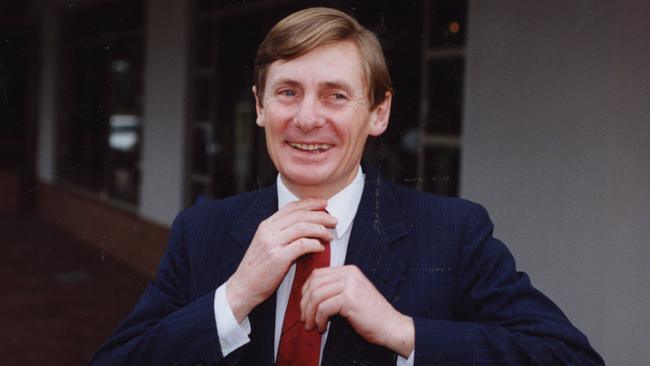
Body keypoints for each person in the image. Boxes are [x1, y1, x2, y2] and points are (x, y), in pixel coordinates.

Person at [92, 7, 603, 366]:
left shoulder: (453, 231)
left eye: (336, 96)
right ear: (260, 107)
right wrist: (234, 297)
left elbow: (568, 356)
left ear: (379, 113)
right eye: (288, 92)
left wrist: (402, 332)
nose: (308, 118)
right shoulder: (201, 230)